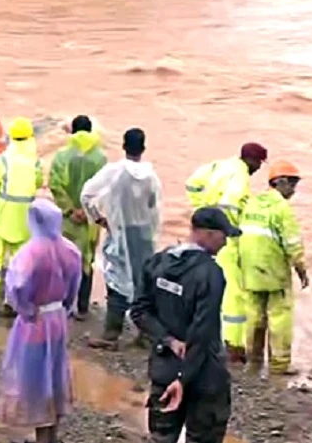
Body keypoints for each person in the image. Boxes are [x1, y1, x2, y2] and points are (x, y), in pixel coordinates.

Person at [131, 208, 239, 443]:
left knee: (162, 436)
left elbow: (139, 311)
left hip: (164, 367)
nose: (225, 244)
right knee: (204, 436)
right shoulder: (211, 274)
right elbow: (203, 331)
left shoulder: (159, 262)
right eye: (224, 236)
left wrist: (168, 340)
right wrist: (184, 378)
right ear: (208, 234)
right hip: (204, 374)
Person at [0, 199, 80, 443]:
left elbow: (17, 285)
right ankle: (51, 435)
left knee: (35, 381)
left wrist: (26, 309)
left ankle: (43, 437)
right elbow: (74, 287)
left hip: (36, 321)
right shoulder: (70, 250)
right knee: (54, 374)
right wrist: (66, 307)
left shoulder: (30, 253)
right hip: (57, 320)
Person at [184, 142, 267, 361]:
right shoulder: (240, 176)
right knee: (233, 292)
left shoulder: (218, 165)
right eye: (258, 163)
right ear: (251, 160)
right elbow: (230, 204)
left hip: (205, 230)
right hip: (223, 237)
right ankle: (233, 345)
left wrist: (202, 209)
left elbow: (192, 184)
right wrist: (230, 228)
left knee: (204, 279)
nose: (258, 168)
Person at [80, 128, 162, 349]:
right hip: (144, 234)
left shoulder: (114, 172)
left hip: (120, 231)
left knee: (115, 278)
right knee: (143, 281)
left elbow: (86, 195)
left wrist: (98, 219)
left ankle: (111, 333)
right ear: (143, 148)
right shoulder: (151, 177)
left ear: (124, 146)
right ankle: (145, 334)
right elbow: (154, 207)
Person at [240, 159, 308, 374]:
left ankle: (253, 361)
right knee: (279, 318)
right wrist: (302, 271)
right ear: (279, 182)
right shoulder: (281, 208)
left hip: (250, 271)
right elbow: (292, 244)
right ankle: (279, 365)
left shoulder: (251, 203)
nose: (294, 190)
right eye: (292, 184)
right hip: (274, 273)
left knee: (254, 316)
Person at [0, 117, 43, 319]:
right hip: (24, 222)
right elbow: (39, 183)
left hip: (2, 219)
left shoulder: (3, 161)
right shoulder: (34, 162)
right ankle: (11, 302)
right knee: (19, 265)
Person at [49, 116, 106, 316]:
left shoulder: (62, 156)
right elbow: (104, 191)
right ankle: (82, 307)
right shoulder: (101, 158)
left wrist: (70, 210)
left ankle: (61, 303)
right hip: (90, 222)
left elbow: (55, 184)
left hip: (67, 219)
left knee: (62, 258)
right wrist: (87, 211)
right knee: (86, 259)